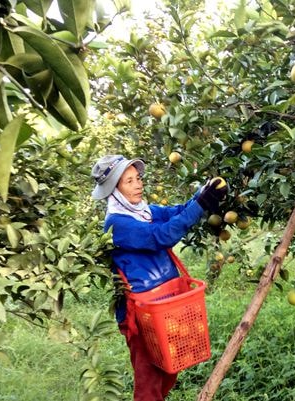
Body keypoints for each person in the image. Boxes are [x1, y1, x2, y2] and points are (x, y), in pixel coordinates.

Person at [90, 154, 226, 401]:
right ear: (114, 191)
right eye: (129, 181)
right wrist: (201, 206)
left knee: (169, 368)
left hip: (166, 304)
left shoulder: (144, 211)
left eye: (138, 178)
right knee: (149, 378)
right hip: (142, 313)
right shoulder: (117, 224)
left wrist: (203, 194)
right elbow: (160, 236)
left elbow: (178, 212)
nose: (138, 184)